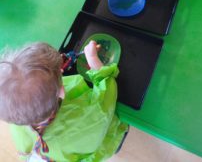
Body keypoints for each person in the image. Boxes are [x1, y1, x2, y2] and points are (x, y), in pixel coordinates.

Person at [0, 41, 128, 161]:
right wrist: (95, 62)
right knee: (111, 134)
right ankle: (118, 144)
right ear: (61, 91)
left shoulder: (18, 115)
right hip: (93, 141)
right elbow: (107, 98)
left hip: (57, 155)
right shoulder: (88, 119)